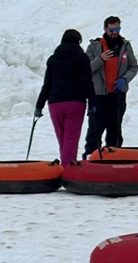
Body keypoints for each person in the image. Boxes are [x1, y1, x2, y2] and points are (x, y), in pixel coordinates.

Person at [34, 28, 94, 164]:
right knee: (71, 138)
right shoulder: (81, 57)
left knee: (62, 138)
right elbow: (87, 82)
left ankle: (65, 165)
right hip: (75, 102)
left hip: (55, 103)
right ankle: (68, 169)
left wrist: (39, 106)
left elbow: (47, 84)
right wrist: (93, 102)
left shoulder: (53, 59)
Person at [86, 17, 138, 153]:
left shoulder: (125, 46)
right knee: (95, 128)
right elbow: (86, 68)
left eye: (117, 29)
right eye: (112, 30)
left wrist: (125, 79)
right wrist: (100, 59)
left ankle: (114, 156)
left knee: (115, 129)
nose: (115, 32)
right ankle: (91, 156)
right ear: (105, 29)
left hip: (117, 95)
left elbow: (133, 66)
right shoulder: (94, 46)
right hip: (99, 95)